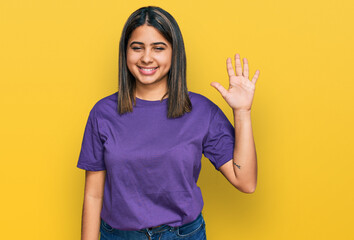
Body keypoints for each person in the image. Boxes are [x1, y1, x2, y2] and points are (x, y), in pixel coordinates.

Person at [77, 5, 259, 240]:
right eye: (137, 48)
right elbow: (93, 196)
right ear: (125, 53)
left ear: (175, 53)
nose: (146, 57)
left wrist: (242, 112)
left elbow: (246, 182)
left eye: (158, 48)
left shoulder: (201, 111)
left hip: (184, 235)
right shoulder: (103, 113)